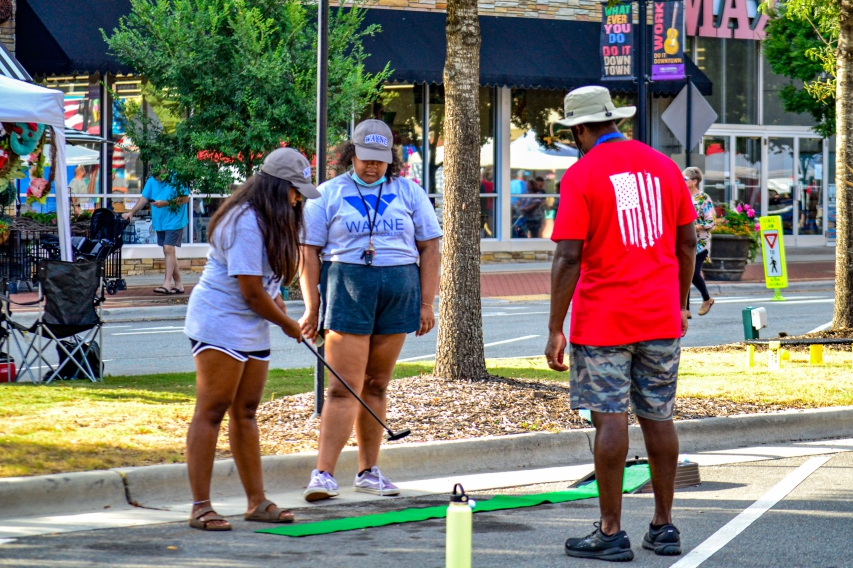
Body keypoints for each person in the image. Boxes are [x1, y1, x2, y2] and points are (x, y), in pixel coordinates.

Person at [544, 86, 697, 562]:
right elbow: (688, 243)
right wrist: (679, 302)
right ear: (615, 120)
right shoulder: (665, 167)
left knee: (611, 418)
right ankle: (664, 525)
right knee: (659, 416)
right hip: (659, 315)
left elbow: (569, 255)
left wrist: (555, 326)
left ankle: (611, 531)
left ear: (580, 129)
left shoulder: (583, 174)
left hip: (604, 318)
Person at [299, 119, 442, 502]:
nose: (372, 167)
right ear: (352, 155)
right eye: (365, 159)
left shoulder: (409, 192)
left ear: (390, 159)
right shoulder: (327, 194)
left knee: (377, 383)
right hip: (348, 285)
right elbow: (308, 253)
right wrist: (312, 307)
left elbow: (430, 248)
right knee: (343, 386)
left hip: (399, 289)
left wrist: (427, 303)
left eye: (380, 160)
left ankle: (368, 470)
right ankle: (323, 474)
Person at [183, 148, 320, 531]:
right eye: (295, 191)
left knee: (245, 412)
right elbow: (250, 293)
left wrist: (283, 315)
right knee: (211, 410)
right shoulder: (244, 221)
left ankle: (256, 501)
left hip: (250, 323)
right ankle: (200, 506)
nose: (298, 199)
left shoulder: (273, 219)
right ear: (277, 187)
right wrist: (288, 324)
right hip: (219, 322)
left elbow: (268, 286)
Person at [122, 170, 190, 294]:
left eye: (160, 178)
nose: (158, 180)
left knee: (168, 249)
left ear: (165, 171)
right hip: (160, 221)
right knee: (169, 251)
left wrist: (166, 203)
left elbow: (185, 198)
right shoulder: (151, 181)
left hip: (175, 219)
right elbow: (144, 199)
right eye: (156, 177)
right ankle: (179, 284)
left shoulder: (177, 178)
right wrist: (131, 212)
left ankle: (167, 284)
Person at [683, 167, 715, 317]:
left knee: (693, 273)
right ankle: (685, 309)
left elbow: (711, 222)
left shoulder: (703, 198)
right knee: (683, 272)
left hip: (700, 243)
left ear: (694, 181)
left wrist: (693, 227)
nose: (682, 181)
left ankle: (707, 299)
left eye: (685, 179)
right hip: (683, 242)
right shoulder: (681, 196)